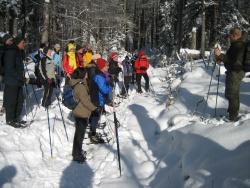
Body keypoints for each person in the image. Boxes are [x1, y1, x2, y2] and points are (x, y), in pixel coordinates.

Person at [214, 27, 246, 121]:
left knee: (232, 94)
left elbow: (235, 62)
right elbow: (231, 59)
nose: (229, 38)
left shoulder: (239, 46)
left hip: (235, 72)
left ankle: (233, 117)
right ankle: (232, 114)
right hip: (234, 72)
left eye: (230, 36)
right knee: (232, 94)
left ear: (235, 36)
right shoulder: (236, 45)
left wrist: (221, 55)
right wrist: (220, 58)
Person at [70, 67, 98, 163]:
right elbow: (85, 100)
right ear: (82, 75)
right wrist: (94, 109)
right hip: (81, 113)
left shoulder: (80, 83)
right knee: (79, 135)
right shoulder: (80, 86)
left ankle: (77, 152)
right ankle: (77, 155)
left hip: (81, 111)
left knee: (79, 134)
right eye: (85, 73)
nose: (87, 75)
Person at [3, 35, 26, 128]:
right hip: (12, 81)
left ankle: (16, 118)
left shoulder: (18, 51)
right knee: (12, 101)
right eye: (23, 43)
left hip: (17, 81)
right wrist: (20, 77)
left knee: (20, 100)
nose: (24, 44)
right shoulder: (11, 52)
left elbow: (18, 67)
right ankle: (10, 120)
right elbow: (10, 69)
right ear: (18, 43)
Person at [88, 58, 113, 144]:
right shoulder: (99, 76)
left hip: (98, 98)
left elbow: (104, 83)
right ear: (102, 67)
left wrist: (108, 79)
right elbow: (105, 89)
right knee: (96, 116)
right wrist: (110, 86)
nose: (108, 67)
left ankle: (92, 129)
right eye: (106, 65)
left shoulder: (100, 74)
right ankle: (92, 134)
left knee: (95, 115)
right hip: (97, 99)